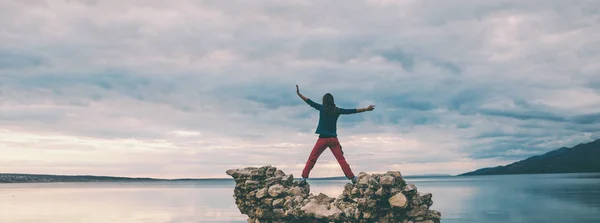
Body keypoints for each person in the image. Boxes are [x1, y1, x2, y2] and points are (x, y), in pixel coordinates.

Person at [296, 85, 375, 185]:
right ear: (332, 101)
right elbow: (351, 111)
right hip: (333, 139)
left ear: (324, 100)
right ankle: (352, 178)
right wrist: (366, 109)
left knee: (312, 159)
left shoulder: (322, 108)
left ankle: (303, 178)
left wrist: (299, 94)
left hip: (322, 139)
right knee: (341, 160)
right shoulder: (337, 110)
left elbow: (309, 102)